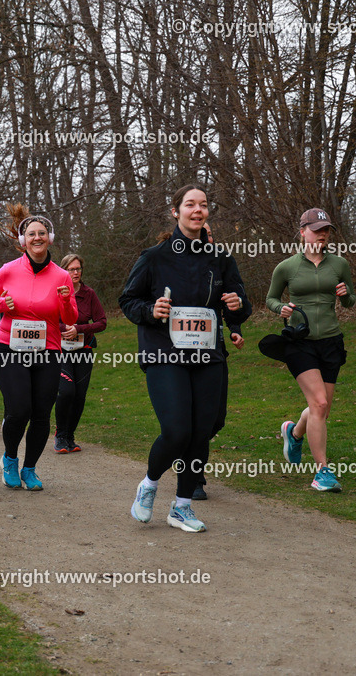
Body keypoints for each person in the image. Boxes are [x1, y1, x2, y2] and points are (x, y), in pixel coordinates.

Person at [119, 184, 250, 532]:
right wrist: (152, 309)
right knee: (177, 431)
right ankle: (148, 484)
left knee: (200, 433)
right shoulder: (155, 256)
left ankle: (182, 507)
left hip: (208, 355)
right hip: (165, 353)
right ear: (175, 211)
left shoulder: (220, 259)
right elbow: (128, 301)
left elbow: (238, 301)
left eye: (203, 205)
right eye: (190, 204)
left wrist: (237, 308)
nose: (197, 210)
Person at [0, 204, 78, 491]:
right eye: (31, 234)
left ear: (50, 238)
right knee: (19, 409)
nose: (37, 238)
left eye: (42, 233)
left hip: (48, 350)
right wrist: (2, 305)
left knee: (41, 413)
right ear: (23, 241)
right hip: (10, 348)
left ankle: (30, 468)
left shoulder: (62, 276)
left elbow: (72, 319)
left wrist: (64, 301)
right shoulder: (8, 270)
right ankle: (10, 459)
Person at [266, 208, 356, 493]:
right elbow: (270, 299)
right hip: (299, 342)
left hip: (331, 342)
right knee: (318, 403)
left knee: (323, 409)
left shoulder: (339, 264)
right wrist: (282, 307)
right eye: (317, 229)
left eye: (326, 230)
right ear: (302, 231)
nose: (322, 234)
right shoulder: (287, 267)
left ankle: (293, 433)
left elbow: (351, 300)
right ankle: (322, 472)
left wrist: (345, 296)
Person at [192, 222, 245, 500]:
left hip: (214, 350)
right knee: (194, 418)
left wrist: (236, 324)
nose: (207, 237)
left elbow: (237, 301)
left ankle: (185, 449)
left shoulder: (223, 261)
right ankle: (194, 477)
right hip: (179, 353)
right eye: (202, 233)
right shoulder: (174, 261)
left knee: (216, 418)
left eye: (210, 233)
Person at [53, 253, 107, 454]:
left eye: (78, 269)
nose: (75, 273)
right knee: (67, 392)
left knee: (79, 396)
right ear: (63, 271)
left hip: (83, 351)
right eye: (71, 269)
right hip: (60, 351)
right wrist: (62, 328)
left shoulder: (89, 294)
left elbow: (102, 322)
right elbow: (47, 319)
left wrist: (80, 329)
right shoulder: (56, 292)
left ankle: (70, 436)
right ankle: (60, 435)